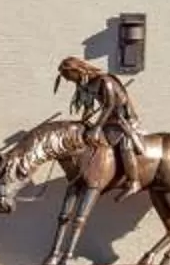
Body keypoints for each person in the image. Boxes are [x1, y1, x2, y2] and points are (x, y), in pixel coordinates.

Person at [55, 55, 145, 191]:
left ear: (76, 70)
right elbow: (89, 104)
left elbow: (109, 105)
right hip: (109, 121)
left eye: (68, 76)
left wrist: (97, 128)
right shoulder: (87, 84)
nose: (69, 80)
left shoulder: (105, 81)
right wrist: (84, 119)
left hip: (124, 120)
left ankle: (134, 180)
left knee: (124, 144)